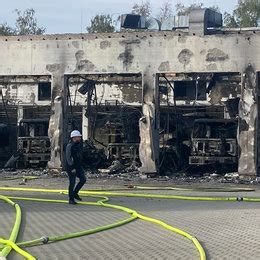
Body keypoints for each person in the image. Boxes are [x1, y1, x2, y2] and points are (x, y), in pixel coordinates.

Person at [65, 130, 86, 205]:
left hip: (78, 166)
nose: (80, 138)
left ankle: (75, 193)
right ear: (74, 138)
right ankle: (71, 199)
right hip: (71, 168)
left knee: (83, 179)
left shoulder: (78, 145)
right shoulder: (69, 146)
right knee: (72, 182)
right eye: (78, 137)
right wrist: (72, 168)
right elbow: (68, 158)